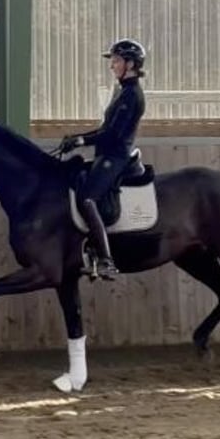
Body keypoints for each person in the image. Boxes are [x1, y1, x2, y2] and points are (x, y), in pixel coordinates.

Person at [59, 38, 147, 280]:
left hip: (115, 156)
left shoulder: (132, 95)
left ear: (130, 64)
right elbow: (104, 128)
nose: (112, 66)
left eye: (116, 61)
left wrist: (80, 141)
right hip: (107, 154)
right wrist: (78, 138)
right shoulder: (123, 91)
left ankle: (106, 260)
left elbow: (111, 134)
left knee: (87, 199)